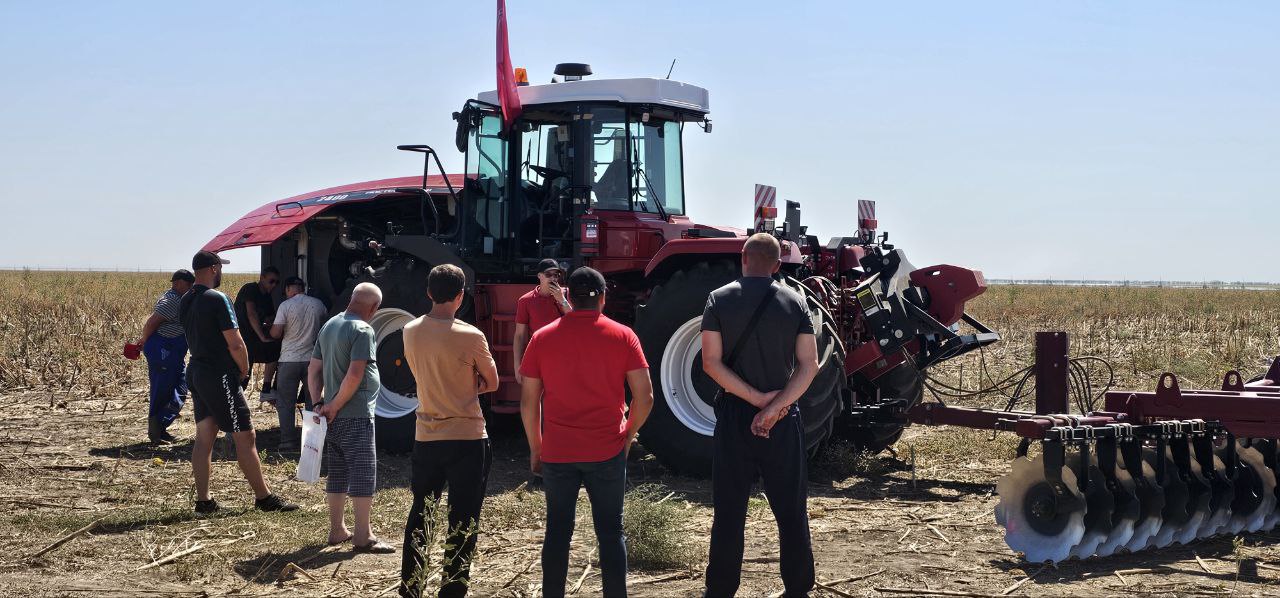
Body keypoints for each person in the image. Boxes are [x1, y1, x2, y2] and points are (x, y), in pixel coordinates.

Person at [519, 267, 654, 598]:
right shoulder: (624, 336)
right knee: (611, 533)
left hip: (558, 451)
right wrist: (628, 434)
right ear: (603, 298)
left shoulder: (543, 337)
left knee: (558, 532)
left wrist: (537, 447)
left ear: (567, 297)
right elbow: (645, 397)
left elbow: (528, 402)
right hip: (607, 450)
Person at [700, 233, 821, 598]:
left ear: (743, 258)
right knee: (791, 510)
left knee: (729, 511)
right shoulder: (796, 302)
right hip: (784, 416)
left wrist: (753, 400)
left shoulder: (718, 300)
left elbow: (710, 362)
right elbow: (809, 365)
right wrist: (774, 408)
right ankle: (798, 588)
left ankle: (720, 590)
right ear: (778, 265)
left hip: (736, 415)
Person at [399, 265, 499, 598]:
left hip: (426, 434)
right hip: (467, 437)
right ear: (460, 296)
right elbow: (494, 381)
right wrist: (468, 384)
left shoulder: (410, 330)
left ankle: (411, 586)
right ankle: (453, 590)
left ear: (429, 292)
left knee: (421, 512)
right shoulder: (471, 336)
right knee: (463, 518)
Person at [179, 250, 299, 515]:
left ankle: (204, 501)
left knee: (205, 435)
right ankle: (264, 497)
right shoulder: (217, 298)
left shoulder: (186, 299)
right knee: (246, 435)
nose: (221, 272)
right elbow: (235, 341)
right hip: (220, 374)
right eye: (219, 267)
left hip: (197, 370)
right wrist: (243, 369)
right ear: (212, 269)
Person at [308, 282, 395, 553]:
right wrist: (335, 405)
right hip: (355, 413)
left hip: (331, 416)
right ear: (373, 307)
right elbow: (355, 374)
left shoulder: (330, 325)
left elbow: (313, 370)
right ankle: (362, 535)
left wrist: (319, 404)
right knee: (362, 473)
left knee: (338, 473)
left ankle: (337, 529)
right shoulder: (363, 329)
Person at [134, 269, 194, 443]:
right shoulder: (172, 300)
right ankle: (155, 433)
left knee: (181, 386)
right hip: (164, 349)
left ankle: (161, 427)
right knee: (162, 390)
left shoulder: (179, 299)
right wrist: (143, 341)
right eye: (189, 285)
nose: (191, 288)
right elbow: (152, 322)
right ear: (179, 283)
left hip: (173, 352)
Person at [269, 276, 328, 451]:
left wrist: (269, 326)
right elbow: (325, 328)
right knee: (313, 401)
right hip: (313, 360)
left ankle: (287, 441)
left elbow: (276, 333)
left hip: (288, 360)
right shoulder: (318, 305)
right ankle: (311, 442)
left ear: (288, 289)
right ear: (303, 288)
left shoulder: (285, 306)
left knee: (285, 402)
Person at [512, 258, 571, 386]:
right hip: (538, 356)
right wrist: (518, 365)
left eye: (556, 275)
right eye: (549, 274)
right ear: (539, 276)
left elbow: (576, 322)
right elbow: (520, 336)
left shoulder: (566, 295)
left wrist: (562, 300)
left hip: (563, 356)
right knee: (535, 398)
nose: (553, 278)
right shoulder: (526, 300)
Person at [234, 266, 281, 401]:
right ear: (262, 278)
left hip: (254, 339)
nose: (274, 285)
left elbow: (270, 317)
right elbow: (251, 313)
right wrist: (263, 336)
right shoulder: (251, 289)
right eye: (271, 281)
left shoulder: (267, 296)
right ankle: (233, 403)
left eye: (277, 283)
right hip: (242, 338)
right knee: (243, 374)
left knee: (276, 351)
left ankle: (267, 388)